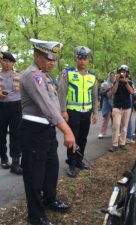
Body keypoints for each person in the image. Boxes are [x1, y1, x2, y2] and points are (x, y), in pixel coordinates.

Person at [20, 38, 76, 225]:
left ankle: (49, 199)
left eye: (54, 58)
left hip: (47, 129)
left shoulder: (45, 75)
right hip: (34, 130)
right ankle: (35, 215)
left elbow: (53, 100)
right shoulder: (32, 75)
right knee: (35, 174)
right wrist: (67, 130)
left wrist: (61, 111)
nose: (52, 61)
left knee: (51, 168)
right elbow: (45, 105)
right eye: (47, 58)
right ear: (36, 55)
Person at [58, 46, 98, 177]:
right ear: (76, 59)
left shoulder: (92, 76)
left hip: (86, 112)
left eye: (85, 58)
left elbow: (95, 95)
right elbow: (62, 92)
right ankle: (71, 163)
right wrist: (63, 110)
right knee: (72, 138)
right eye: (80, 58)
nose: (82, 61)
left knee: (83, 138)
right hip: (72, 112)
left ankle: (79, 161)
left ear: (88, 61)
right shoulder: (68, 73)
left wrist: (95, 112)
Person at [0, 52, 23, 174]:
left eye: (9, 61)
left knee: (16, 135)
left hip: (16, 107)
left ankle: (15, 163)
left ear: (13, 63)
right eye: (4, 61)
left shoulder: (20, 75)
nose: (6, 63)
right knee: (1, 134)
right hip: (1, 107)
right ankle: (4, 158)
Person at [109, 65, 135, 152]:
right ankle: (114, 144)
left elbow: (132, 92)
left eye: (124, 72)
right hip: (117, 107)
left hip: (127, 107)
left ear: (127, 73)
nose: (123, 73)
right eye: (121, 71)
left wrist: (126, 82)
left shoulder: (129, 82)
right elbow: (113, 92)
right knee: (116, 126)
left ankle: (122, 143)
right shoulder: (115, 82)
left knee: (124, 127)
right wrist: (117, 81)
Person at [98, 72, 115, 139]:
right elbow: (101, 94)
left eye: (113, 76)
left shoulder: (116, 83)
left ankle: (115, 132)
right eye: (111, 76)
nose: (112, 77)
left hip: (114, 104)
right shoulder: (104, 84)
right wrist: (106, 91)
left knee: (115, 119)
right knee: (106, 119)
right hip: (107, 103)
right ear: (108, 76)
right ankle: (102, 133)